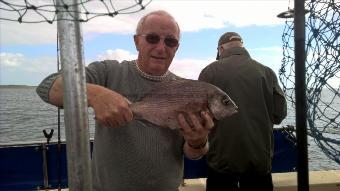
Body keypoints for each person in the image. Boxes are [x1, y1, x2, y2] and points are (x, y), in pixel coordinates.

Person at [36, 10, 214, 191]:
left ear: (176, 47)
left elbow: (193, 154)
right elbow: (47, 87)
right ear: (137, 42)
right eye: (152, 38)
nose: (161, 48)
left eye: (170, 41)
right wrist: (95, 94)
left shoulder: (185, 91)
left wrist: (198, 141)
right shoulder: (108, 72)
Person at [199, 32, 287, 191]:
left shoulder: (209, 72)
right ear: (242, 45)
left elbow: (200, 116)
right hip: (259, 159)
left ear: (221, 48)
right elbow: (279, 115)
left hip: (220, 160)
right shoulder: (266, 72)